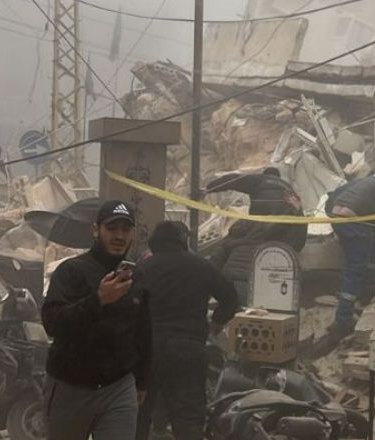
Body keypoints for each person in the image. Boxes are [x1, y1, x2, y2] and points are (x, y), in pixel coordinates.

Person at [42, 200, 151, 440]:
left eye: (126, 229)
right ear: (95, 230)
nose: (119, 236)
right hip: (70, 386)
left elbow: (143, 333)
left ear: (133, 234)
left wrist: (142, 381)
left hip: (118, 387)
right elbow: (52, 323)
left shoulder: (137, 277)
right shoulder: (71, 271)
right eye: (112, 228)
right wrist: (99, 300)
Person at [136, 221, 238, 440]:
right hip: (188, 350)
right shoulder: (202, 266)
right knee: (188, 419)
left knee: (139, 416)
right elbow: (230, 297)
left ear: (154, 243)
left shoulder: (143, 268)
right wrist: (217, 322)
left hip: (147, 352)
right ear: (183, 241)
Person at [318, 162, 375, 349]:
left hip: (340, 215)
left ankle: (364, 297)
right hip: (355, 220)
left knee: (373, 251)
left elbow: (335, 195)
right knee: (356, 268)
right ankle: (343, 320)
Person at [207, 167, 307, 306]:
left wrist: (209, 188)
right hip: (259, 282)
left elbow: (234, 180)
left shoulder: (239, 230)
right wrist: (299, 213)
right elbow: (296, 242)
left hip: (228, 280)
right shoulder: (288, 189)